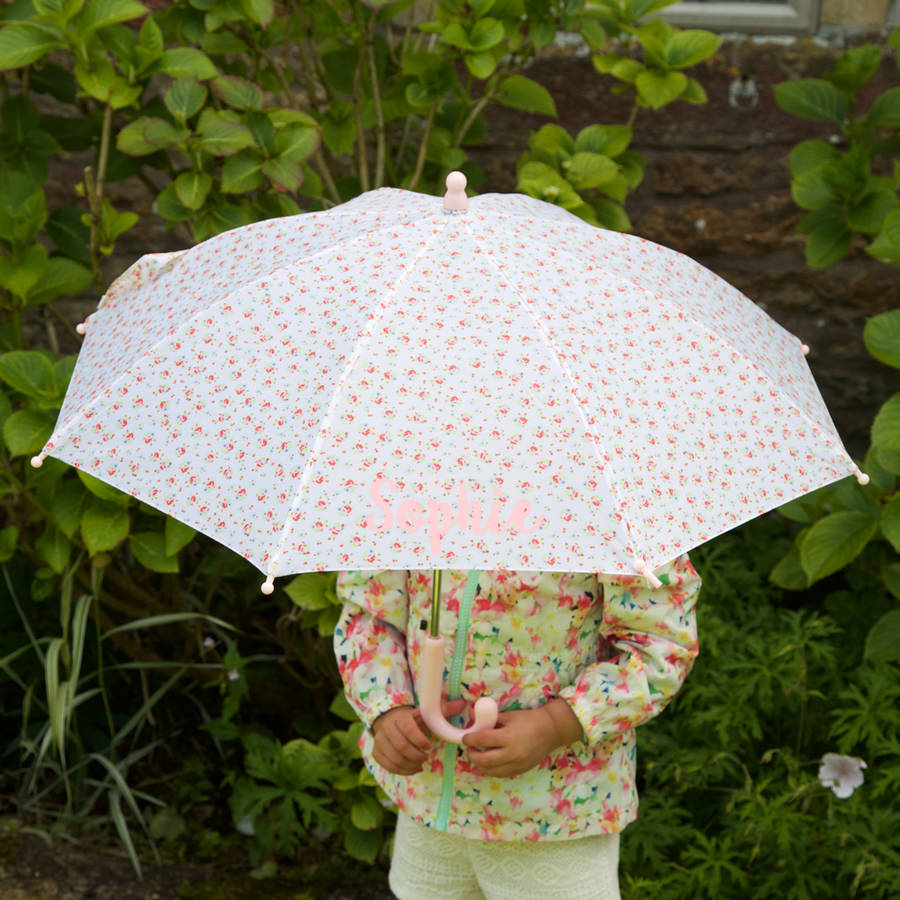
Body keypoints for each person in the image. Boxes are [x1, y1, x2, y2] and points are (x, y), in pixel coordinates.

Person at [333, 555, 701, 900]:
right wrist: (386, 709)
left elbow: (661, 646)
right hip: (428, 800)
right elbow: (368, 610)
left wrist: (557, 723)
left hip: (557, 816)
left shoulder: (610, 502)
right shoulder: (412, 491)